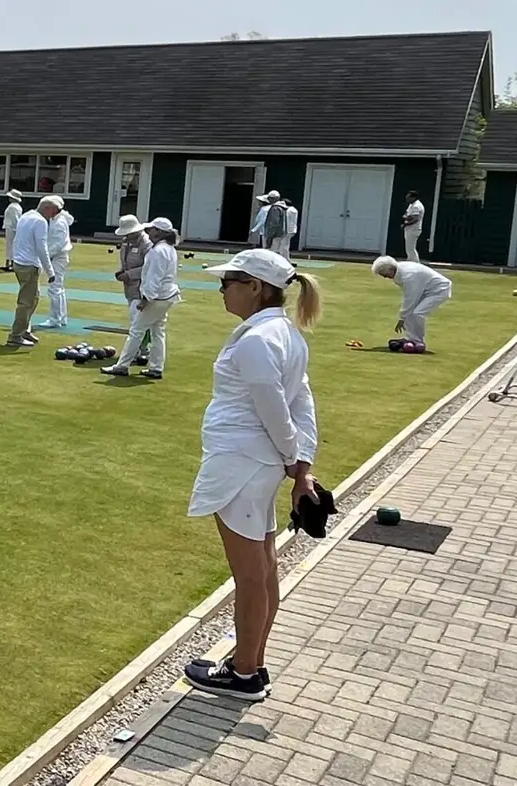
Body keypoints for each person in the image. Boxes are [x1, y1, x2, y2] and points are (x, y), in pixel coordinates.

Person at [186, 248, 323, 702]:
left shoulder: (256, 341)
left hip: (242, 463)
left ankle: (244, 673)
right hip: (256, 463)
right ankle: (252, 663)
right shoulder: (284, 334)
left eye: (229, 281)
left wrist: (294, 462)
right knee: (263, 569)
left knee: (250, 575)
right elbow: (303, 406)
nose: (221, 288)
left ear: (256, 287)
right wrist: (301, 465)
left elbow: (277, 408)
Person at [101, 218, 181, 379]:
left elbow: (154, 278)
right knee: (158, 331)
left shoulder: (158, 251)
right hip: (167, 296)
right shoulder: (168, 248)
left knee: (137, 330)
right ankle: (156, 368)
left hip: (157, 297)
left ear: (158, 232)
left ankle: (122, 366)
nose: (148, 232)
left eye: (151, 229)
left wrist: (146, 299)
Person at [6, 195, 59, 347]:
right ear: (47, 208)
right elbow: (42, 248)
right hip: (29, 265)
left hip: (20, 263)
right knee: (26, 302)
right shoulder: (41, 221)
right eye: (54, 211)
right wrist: (50, 271)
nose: (55, 215)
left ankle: (24, 330)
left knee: (34, 298)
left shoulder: (26, 215)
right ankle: (15, 335)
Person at [372, 256, 451, 347]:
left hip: (439, 290)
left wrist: (402, 318)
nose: (386, 277)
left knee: (417, 313)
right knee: (410, 312)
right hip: (425, 289)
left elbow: (410, 298)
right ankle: (412, 339)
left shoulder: (409, 275)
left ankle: (418, 341)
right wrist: (404, 316)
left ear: (391, 268)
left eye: (385, 275)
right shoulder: (399, 270)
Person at [112, 214, 154, 364]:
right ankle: (141, 350)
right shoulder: (126, 243)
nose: (127, 236)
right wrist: (121, 271)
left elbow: (149, 267)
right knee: (136, 319)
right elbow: (125, 261)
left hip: (143, 287)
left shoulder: (147, 244)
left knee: (138, 321)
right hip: (129, 288)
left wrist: (129, 274)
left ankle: (142, 351)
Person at [39, 196, 74, 328]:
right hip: (57, 256)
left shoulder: (59, 222)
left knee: (54, 288)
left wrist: (45, 256)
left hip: (58, 257)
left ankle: (55, 319)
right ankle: (61, 317)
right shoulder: (57, 219)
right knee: (58, 287)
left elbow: (57, 244)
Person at [263, 192, 295, 260]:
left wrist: (270, 236)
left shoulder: (275, 208)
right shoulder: (283, 208)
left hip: (275, 234)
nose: (268, 200)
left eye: (270, 198)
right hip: (281, 233)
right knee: (278, 251)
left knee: (271, 253)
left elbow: (274, 223)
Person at [1, 190, 24, 271]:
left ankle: (11, 264)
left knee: (10, 246)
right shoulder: (17, 206)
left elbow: (15, 219)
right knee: (11, 246)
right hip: (13, 227)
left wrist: (17, 228)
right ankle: (8, 263)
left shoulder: (12, 207)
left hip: (12, 228)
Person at [401, 191, 426, 264]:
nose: (407, 199)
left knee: (411, 248)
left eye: (408, 197)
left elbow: (415, 218)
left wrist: (406, 223)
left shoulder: (416, 206)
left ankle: (415, 263)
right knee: (408, 248)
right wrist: (406, 217)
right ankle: (411, 261)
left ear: (413, 197)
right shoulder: (411, 205)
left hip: (413, 229)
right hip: (409, 229)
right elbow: (406, 214)